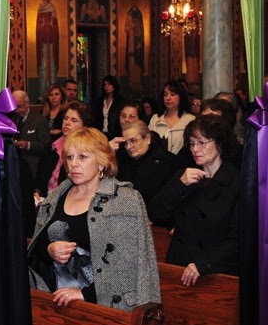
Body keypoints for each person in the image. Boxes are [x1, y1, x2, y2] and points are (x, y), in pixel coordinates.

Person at [28, 128, 160, 311]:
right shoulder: (55, 198)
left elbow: (130, 265)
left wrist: (86, 294)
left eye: (82, 157)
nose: (74, 164)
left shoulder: (125, 200)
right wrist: (49, 250)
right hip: (54, 301)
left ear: (101, 162)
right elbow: (34, 253)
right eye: (70, 157)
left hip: (107, 307)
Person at [148, 117, 240, 285]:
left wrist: (204, 264)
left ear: (220, 144)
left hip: (214, 273)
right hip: (179, 265)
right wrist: (179, 184)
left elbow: (238, 239)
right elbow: (155, 213)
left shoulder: (236, 182)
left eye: (202, 143)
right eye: (191, 143)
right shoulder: (184, 176)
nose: (195, 149)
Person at [35, 101, 91, 198]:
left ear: (84, 127)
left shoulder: (87, 152)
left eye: (74, 120)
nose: (67, 123)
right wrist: (37, 191)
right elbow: (39, 177)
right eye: (66, 118)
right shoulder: (51, 146)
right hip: (45, 200)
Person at [115, 120, 176, 205]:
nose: (128, 147)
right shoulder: (121, 159)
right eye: (126, 143)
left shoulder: (168, 162)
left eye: (133, 141)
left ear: (147, 138)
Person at [12, 90, 52, 186]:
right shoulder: (12, 118)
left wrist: (28, 145)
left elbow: (46, 145)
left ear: (27, 104)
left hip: (32, 168)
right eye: (14, 107)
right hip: (14, 167)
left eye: (19, 106)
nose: (16, 110)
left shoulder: (40, 120)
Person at [148, 80, 196, 155]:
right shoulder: (156, 119)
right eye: (165, 95)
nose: (168, 98)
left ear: (181, 97)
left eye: (172, 94)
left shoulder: (190, 120)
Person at [35, 0, 59, 97]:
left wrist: (50, 25)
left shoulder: (52, 8)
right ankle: (43, 93)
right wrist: (43, 25)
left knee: (52, 67)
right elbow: (38, 27)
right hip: (43, 43)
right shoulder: (40, 8)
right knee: (43, 67)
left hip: (51, 43)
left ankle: (53, 93)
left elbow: (55, 26)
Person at [124, 0, 145, 92]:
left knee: (138, 60)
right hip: (131, 41)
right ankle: (131, 83)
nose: (134, 2)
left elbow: (142, 29)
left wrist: (141, 41)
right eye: (133, 0)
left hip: (138, 40)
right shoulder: (129, 13)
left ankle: (138, 84)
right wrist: (132, 27)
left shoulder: (139, 13)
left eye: (136, 0)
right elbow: (126, 29)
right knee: (131, 60)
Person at [96, 75, 123, 139]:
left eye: (109, 84)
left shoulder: (120, 101)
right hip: (101, 132)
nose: (106, 87)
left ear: (114, 85)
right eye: (105, 84)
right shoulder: (100, 100)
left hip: (115, 133)